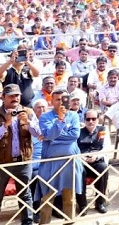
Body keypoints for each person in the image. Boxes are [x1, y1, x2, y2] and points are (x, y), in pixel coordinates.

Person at [37, 88, 83, 223]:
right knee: (46, 198)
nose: (60, 102)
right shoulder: (45, 117)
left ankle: (69, 222)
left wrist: (54, 137)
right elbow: (48, 135)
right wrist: (60, 120)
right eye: (57, 99)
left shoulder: (74, 115)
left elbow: (75, 135)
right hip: (50, 163)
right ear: (51, 101)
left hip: (70, 162)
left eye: (63, 99)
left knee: (69, 198)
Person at [0, 84, 41, 225]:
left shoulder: (28, 111)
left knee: (25, 193)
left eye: (17, 95)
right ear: (2, 97)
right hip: (2, 163)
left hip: (23, 160)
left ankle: (27, 222)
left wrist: (28, 122)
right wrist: (5, 124)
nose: (15, 98)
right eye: (11, 96)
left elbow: (38, 134)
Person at [75, 108, 110, 214]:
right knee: (79, 172)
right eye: (88, 119)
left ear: (97, 120)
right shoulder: (78, 132)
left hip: (96, 160)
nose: (91, 121)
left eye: (93, 119)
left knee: (103, 168)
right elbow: (74, 149)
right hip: (82, 161)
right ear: (84, 120)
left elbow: (107, 147)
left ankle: (100, 202)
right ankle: (82, 205)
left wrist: (97, 156)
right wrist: (83, 158)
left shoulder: (103, 130)